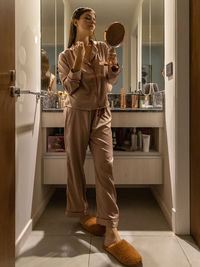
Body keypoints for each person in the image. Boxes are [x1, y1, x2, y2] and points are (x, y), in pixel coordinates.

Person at [58, 7, 142, 266]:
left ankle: (111, 229)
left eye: (94, 18)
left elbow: (110, 81)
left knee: (105, 166)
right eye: (87, 17)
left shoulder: (104, 49)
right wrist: (76, 63)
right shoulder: (65, 55)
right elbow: (70, 88)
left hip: (101, 113)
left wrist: (114, 68)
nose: (92, 20)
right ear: (76, 21)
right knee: (75, 166)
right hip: (76, 113)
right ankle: (82, 213)